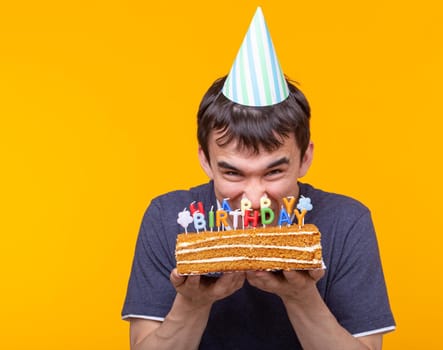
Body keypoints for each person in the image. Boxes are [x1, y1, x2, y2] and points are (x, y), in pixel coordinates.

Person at [122, 7, 395, 350]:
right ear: (205, 160)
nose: (253, 197)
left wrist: (301, 297)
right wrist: (192, 304)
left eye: (274, 171)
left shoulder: (347, 221)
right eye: (233, 172)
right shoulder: (168, 217)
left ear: (305, 157)